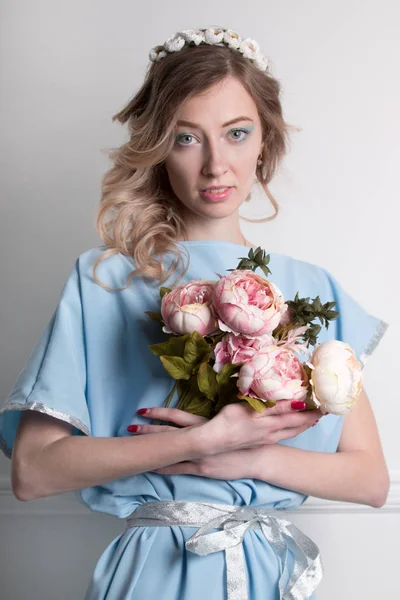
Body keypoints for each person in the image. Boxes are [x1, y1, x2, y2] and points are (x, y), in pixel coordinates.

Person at [0, 26, 390, 600]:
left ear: (265, 141)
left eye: (236, 133)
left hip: (266, 573)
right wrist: (199, 443)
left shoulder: (313, 289)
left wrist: (250, 456)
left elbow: (371, 480)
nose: (215, 165)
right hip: (151, 576)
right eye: (187, 138)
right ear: (158, 146)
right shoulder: (102, 282)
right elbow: (33, 473)